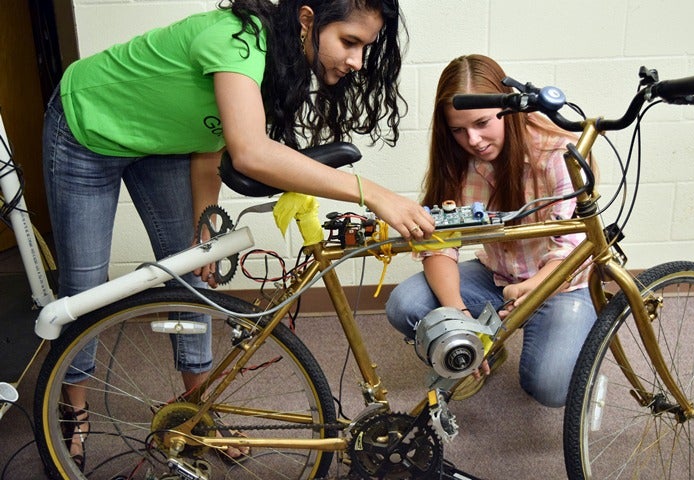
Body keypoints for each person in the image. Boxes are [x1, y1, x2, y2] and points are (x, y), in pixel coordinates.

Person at [43, 0, 435, 470]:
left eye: (364, 48)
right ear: (308, 20)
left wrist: (203, 223)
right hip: (88, 126)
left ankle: (199, 414)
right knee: (85, 286)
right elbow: (249, 152)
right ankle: (73, 412)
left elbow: (210, 142)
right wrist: (371, 193)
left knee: (192, 274)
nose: (355, 61)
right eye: (349, 42)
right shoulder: (236, 40)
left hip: (164, 145)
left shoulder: (280, 64)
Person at [385, 54, 596, 408]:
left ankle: (584, 329)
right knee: (404, 305)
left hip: (560, 283)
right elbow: (439, 245)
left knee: (551, 386)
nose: (473, 140)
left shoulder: (559, 152)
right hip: (499, 275)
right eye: (458, 129)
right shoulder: (455, 160)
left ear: (508, 110)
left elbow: (570, 248)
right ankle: (488, 351)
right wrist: (460, 319)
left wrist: (531, 290)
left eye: (482, 123)